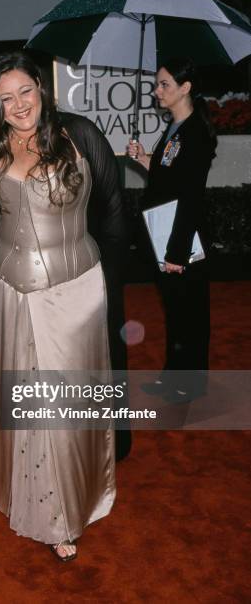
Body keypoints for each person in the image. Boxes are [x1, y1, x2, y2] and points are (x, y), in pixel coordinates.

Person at [0, 51, 129, 562]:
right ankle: (15, 488)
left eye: (24, 91)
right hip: (3, 285)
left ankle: (62, 512)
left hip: (72, 289)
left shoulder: (80, 136)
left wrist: (109, 291)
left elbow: (115, 213)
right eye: (5, 98)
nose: (18, 105)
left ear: (42, 88)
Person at [127, 57, 217, 402]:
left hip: (181, 238)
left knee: (190, 312)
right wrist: (145, 159)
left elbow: (190, 195)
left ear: (185, 88)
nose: (156, 90)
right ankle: (172, 376)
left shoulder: (196, 132)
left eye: (164, 84)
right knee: (176, 311)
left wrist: (177, 251)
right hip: (163, 231)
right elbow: (169, 179)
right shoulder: (174, 128)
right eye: (157, 83)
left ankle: (191, 384)